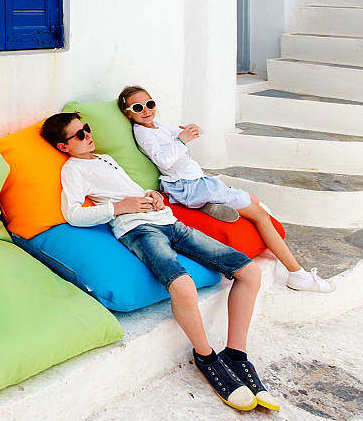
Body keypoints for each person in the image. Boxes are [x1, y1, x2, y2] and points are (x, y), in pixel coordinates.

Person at [40, 112, 278, 412]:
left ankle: (236, 354)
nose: (87, 135)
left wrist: (152, 196)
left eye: (86, 129)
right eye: (78, 135)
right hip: (138, 229)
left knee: (250, 272)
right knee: (183, 284)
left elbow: (130, 191)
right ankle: (207, 358)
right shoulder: (74, 169)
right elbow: (72, 213)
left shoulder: (102, 159)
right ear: (63, 147)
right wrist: (119, 208)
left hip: (167, 220)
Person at [119, 85, 335, 294]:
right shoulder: (144, 133)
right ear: (128, 114)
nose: (146, 110)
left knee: (254, 202)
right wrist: (183, 140)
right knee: (259, 212)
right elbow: (163, 160)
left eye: (150, 104)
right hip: (189, 186)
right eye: (138, 108)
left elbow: (181, 133)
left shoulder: (157, 127)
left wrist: (191, 130)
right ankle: (297, 274)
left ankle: (208, 204)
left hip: (199, 182)